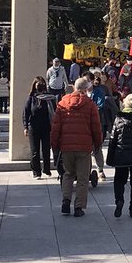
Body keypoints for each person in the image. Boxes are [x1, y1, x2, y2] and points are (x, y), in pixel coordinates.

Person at [50, 76, 102, 216]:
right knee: (83, 178)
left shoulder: (62, 103)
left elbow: (56, 127)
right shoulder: (90, 104)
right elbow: (96, 127)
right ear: (86, 89)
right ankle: (78, 207)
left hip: (66, 147)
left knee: (68, 174)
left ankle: (66, 200)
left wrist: (54, 144)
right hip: (84, 147)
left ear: (74, 88)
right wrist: (97, 143)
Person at [22, 76, 54, 179]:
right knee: (35, 151)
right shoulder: (31, 98)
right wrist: (25, 126)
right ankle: (36, 172)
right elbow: (25, 113)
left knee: (46, 150)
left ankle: (46, 169)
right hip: (34, 127)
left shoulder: (49, 98)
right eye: (38, 85)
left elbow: (53, 112)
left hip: (46, 127)